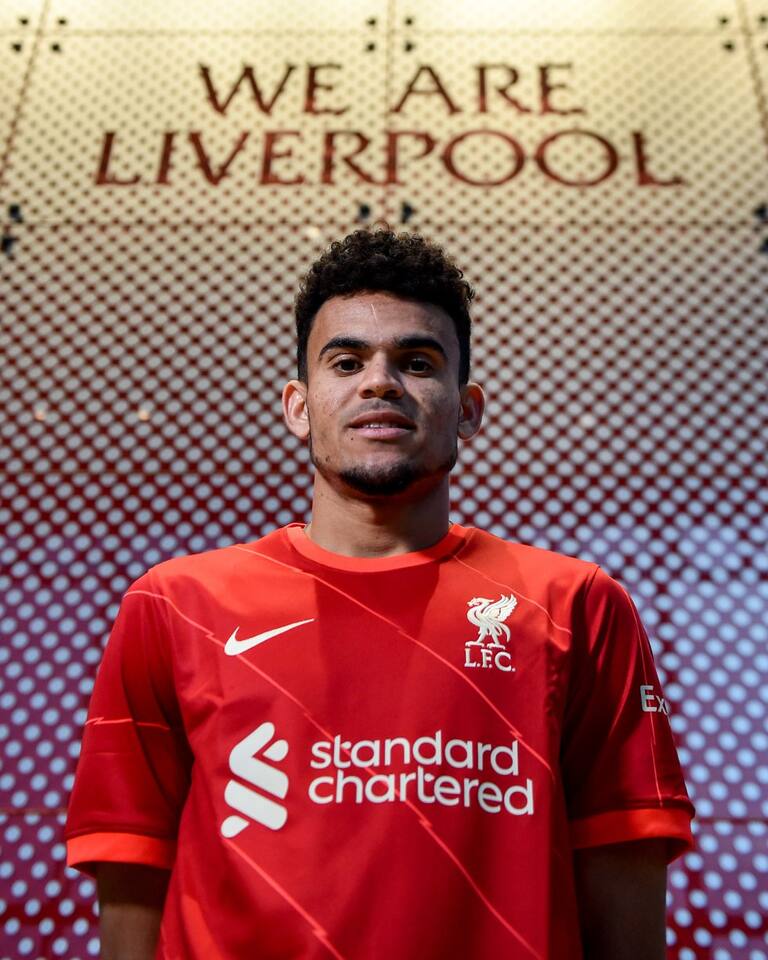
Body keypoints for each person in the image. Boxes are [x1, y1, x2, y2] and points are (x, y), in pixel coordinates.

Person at [65, 228, 696, 959]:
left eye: (417, 362)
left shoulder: (576, 603)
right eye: (346, 361)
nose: (380, 383)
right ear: (298, 406)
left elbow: (623, 865)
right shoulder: (174, 605)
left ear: (468, 409)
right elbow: (133, 863)